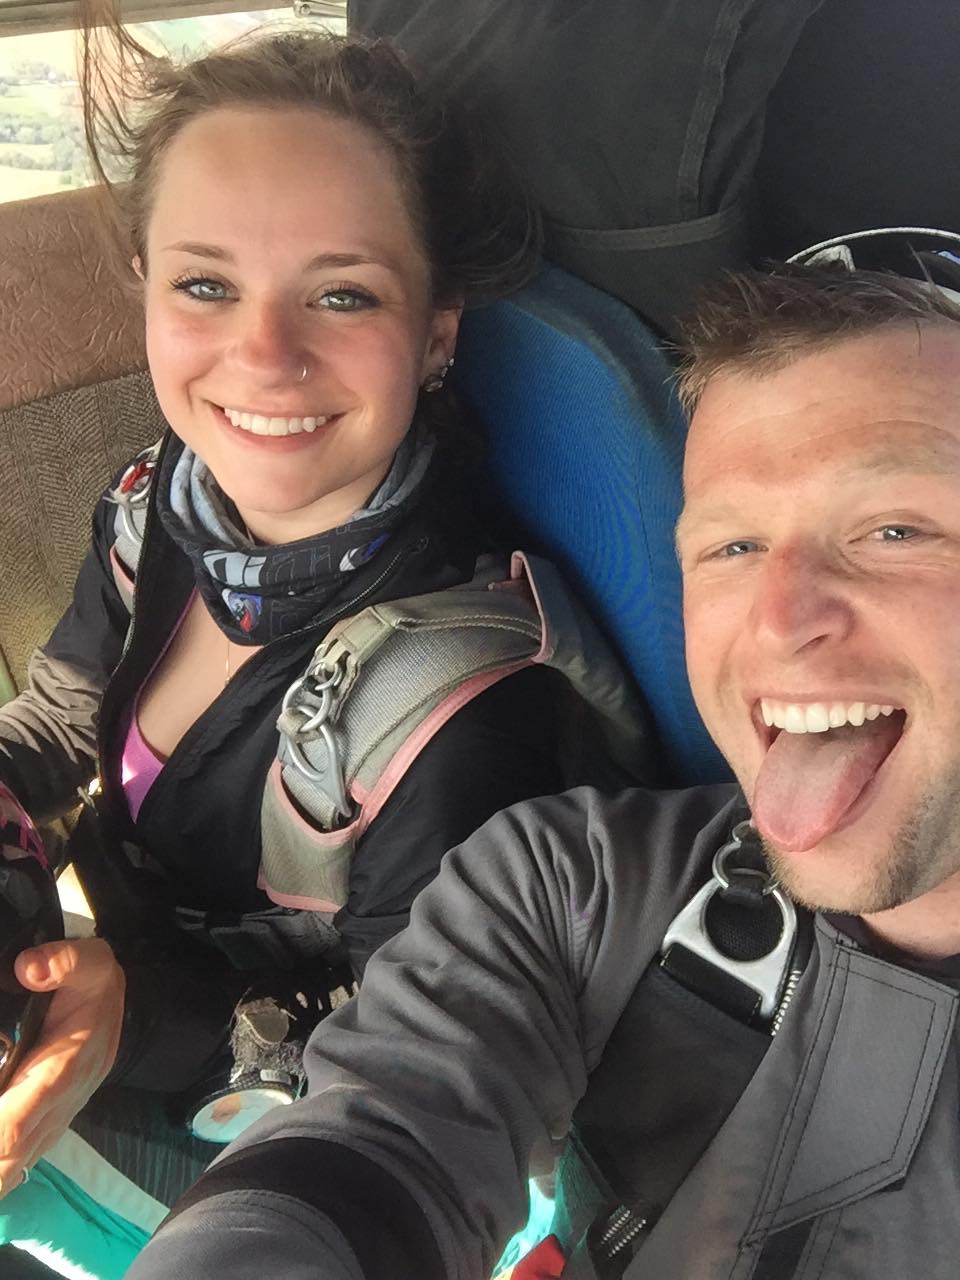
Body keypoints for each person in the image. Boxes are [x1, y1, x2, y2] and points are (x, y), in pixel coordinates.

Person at [125, 260, 960, 1280]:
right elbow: (373, 1143)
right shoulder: (572, 881)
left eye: (894, 530)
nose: (780, 622)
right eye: (733, 545)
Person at [0, 14, 654, 1278]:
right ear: (143, 282)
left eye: (342, 292)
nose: (264, 352)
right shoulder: (160, 508)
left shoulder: (455, 710)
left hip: (281, 1130)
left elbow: (421, 1069)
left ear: (438, 328)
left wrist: (134, 1019)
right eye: (206, 284)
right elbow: (56, 719)